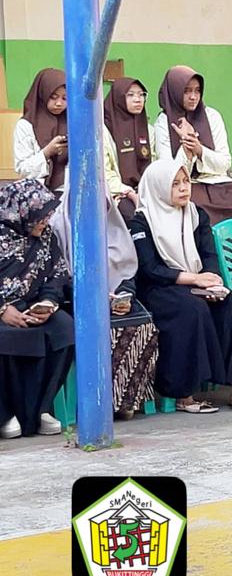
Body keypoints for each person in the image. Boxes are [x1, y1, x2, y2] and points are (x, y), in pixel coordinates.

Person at [130, 159, 232, 413]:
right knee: (191, 310)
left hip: (196, 283)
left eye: (186, 181)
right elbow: (150, 269)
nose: (183, 188)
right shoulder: (141, 221)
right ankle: (183, 394)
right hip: (159, 288)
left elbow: (209, 255)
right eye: (175, 184)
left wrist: (212, 281)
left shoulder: (197, 215)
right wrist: (194, 280)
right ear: (158, 187)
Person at [49, 177, 159, 420]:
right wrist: (91, 296)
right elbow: (57, 278)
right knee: (96, 327)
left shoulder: (115, 228)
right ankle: (97, 399)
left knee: (143, 325)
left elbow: (128, 272)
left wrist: (124, 296)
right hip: (75, 302)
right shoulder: (58, 228)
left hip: (114, 300)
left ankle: (126, 398)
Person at [0, 179, 74, 438]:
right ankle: (5, 414)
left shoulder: (46, 237)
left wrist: (48, 304)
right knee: (7, 336)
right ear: (21, 212)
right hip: (3, 308)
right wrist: (3, 309)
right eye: (40, 216)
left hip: (32, 305)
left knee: (64, 329)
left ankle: (42, 409)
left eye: (47, 215)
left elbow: (57, 275)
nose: (45, 221)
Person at [154, 66, 232, 224]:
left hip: (217, 182)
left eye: (197, 91)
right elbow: (169, 172)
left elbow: (224, 162)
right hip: (187, 185)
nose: (193, 97)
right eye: (186, 91)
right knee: (198, 212)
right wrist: (187, 148)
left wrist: (199, 149)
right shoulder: (163, 122)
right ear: (174, 92)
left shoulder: (212, 116)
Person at [103, 77, 153, 224]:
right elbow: (105, 172)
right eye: (130, 95)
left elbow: (156, 164)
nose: (138, 99)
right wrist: (129, 192)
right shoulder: (103, 130)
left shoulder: (148, 129)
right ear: (118, 98)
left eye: (141, 94)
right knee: (134, 217)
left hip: (145, 190)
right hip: (117, 192)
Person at [14, 68, 68, 191]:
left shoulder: (71, 121)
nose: (59, 103)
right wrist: (47, 152)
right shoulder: (26, 125)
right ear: (42, 95)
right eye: (53, 97)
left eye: (64, 98)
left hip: (69, 187)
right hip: (38, 190)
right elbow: (22, 169)